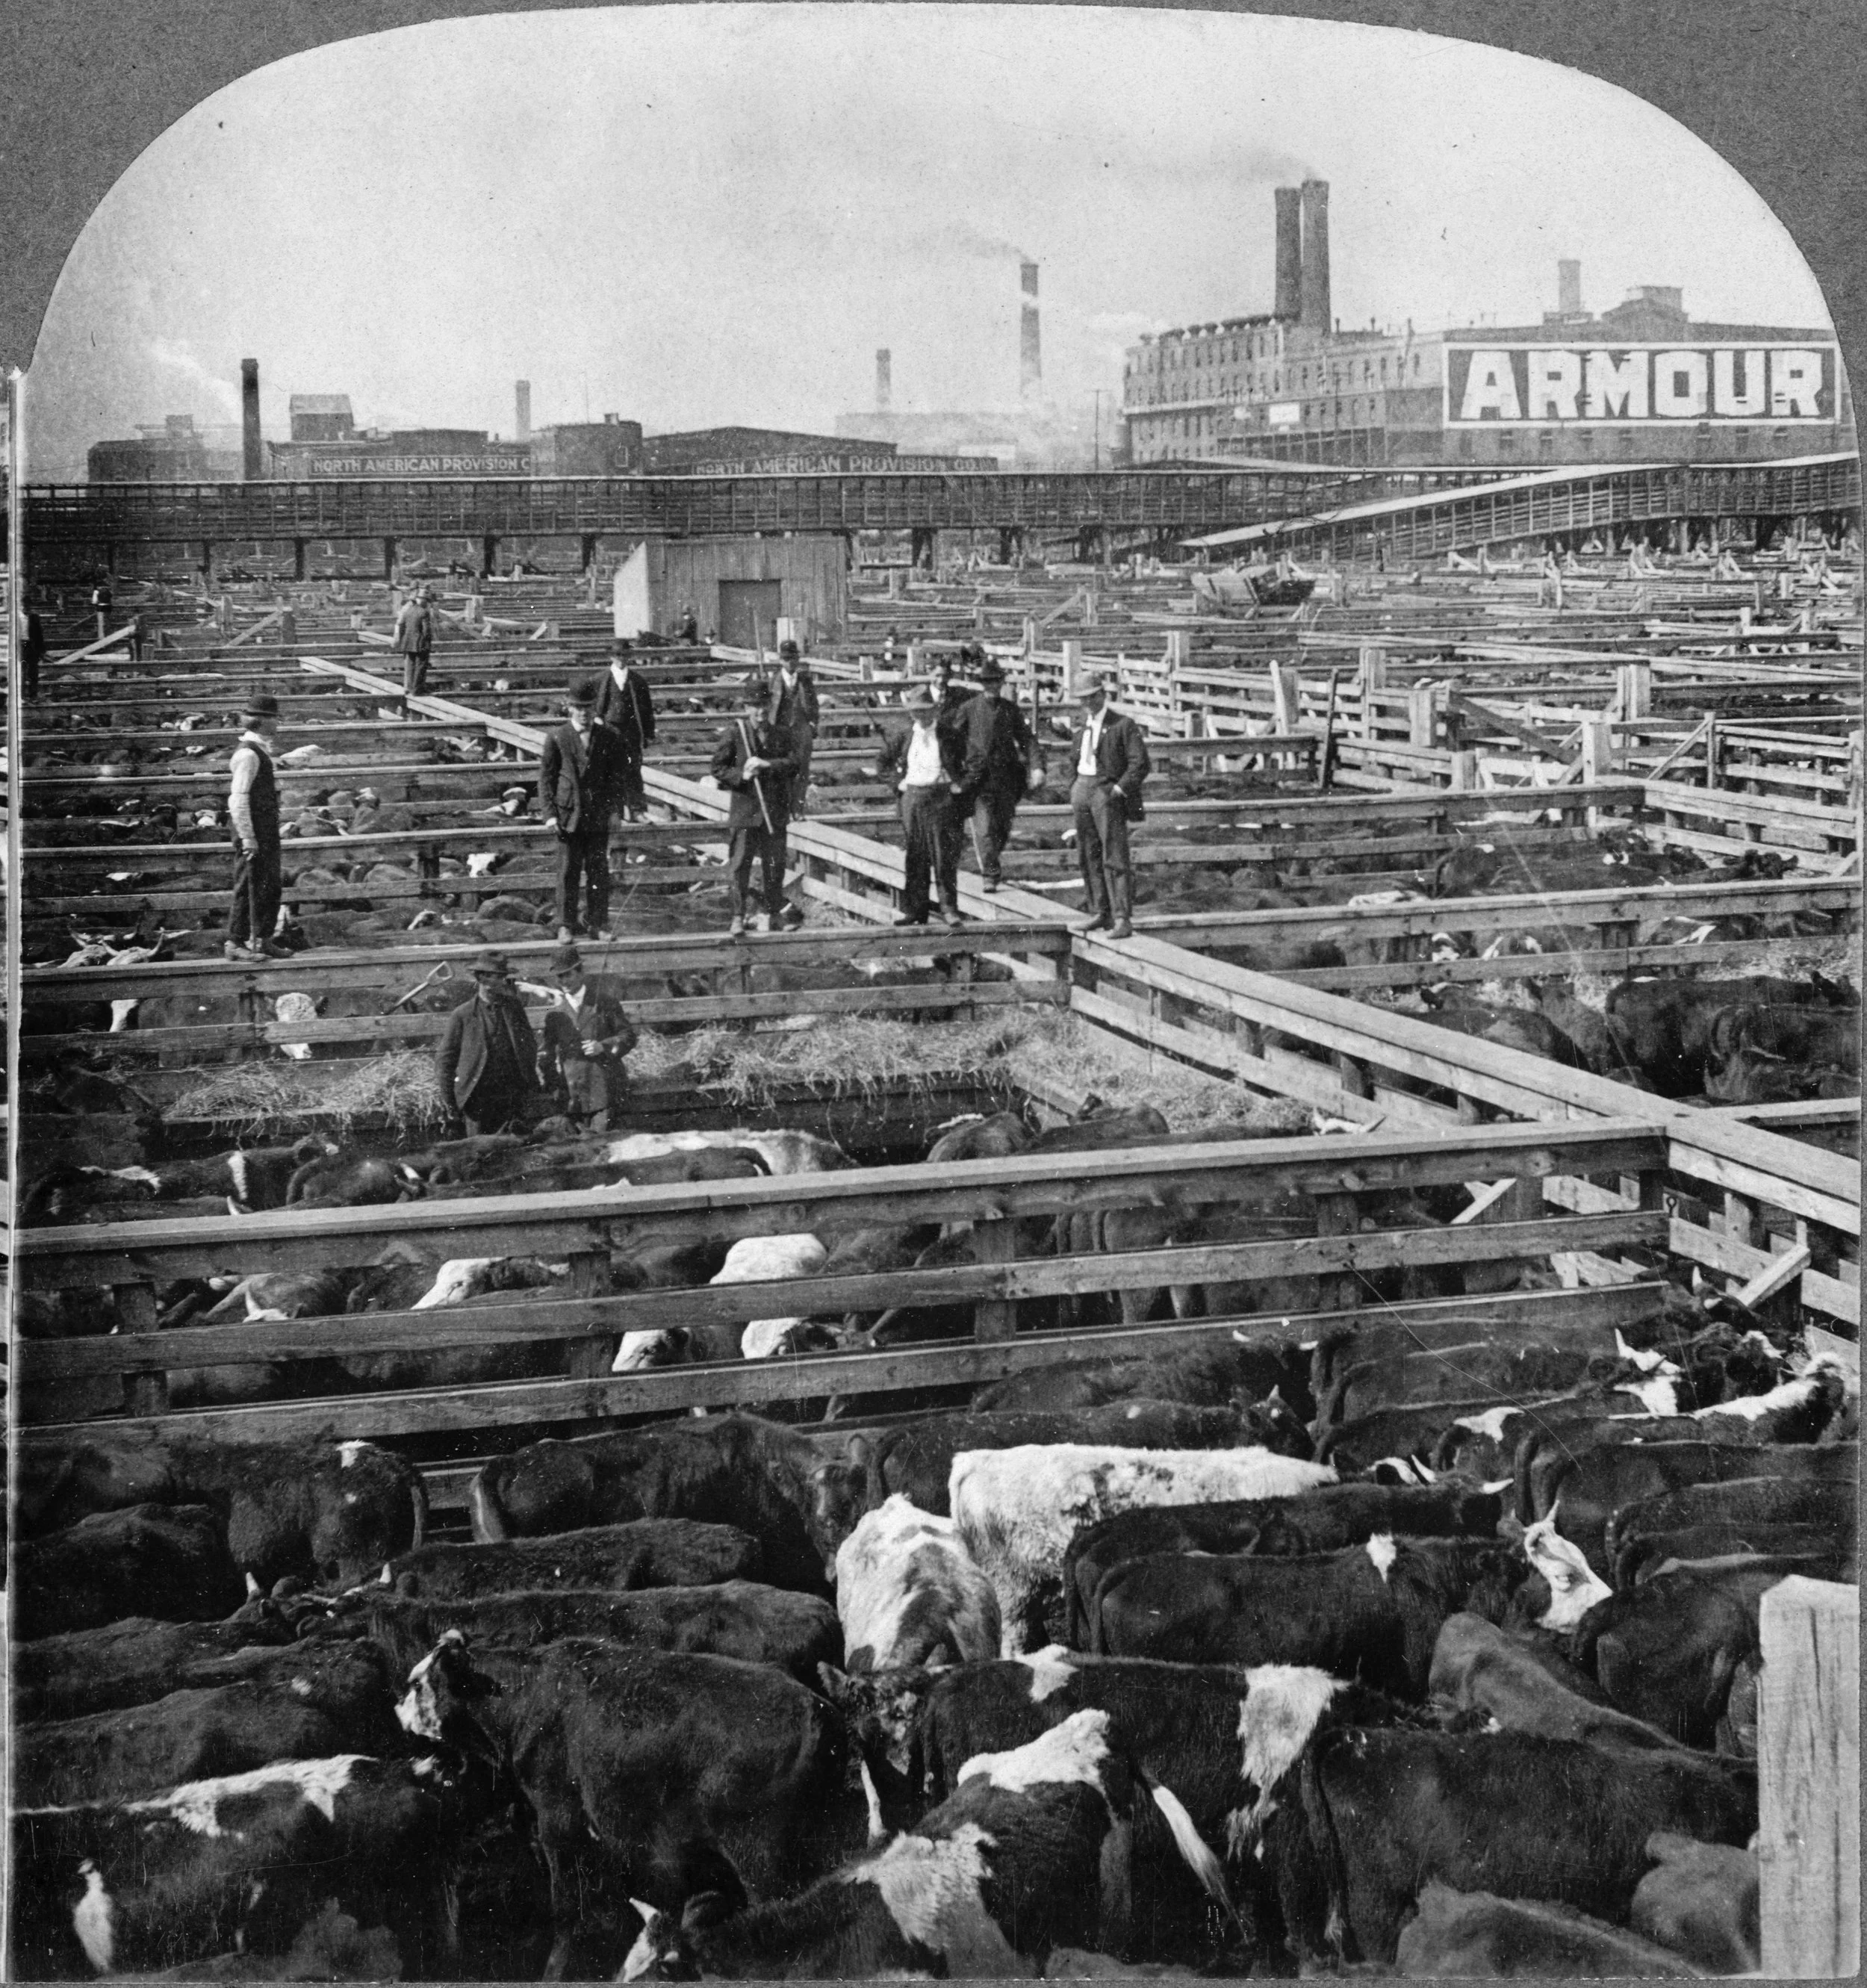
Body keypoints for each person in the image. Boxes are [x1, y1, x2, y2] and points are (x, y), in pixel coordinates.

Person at [540, 677, 627, 942]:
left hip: (598, 816)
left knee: (598, 871)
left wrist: (615, 811)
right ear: (569, 707)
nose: (584, 713)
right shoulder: (558, 737)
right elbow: (546, 778)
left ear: (595, 707)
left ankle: (597, 924)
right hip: (568, 816)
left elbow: (616, 779)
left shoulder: (609, 737)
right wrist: (550, 814)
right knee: (568, 871)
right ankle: (565, 924)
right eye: (579, 707)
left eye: (589, 707)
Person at [711, 675, 797, 936]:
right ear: (746, 707)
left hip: (773, 812)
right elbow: (717, 768)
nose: (760, 711)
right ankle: (738, 916)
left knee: (775, 866)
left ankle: (773, 913)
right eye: (754, 706)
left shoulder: (781, 734)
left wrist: (768, 765)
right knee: (740, 866)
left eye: (764, 705)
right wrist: (742, 776)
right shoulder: (736, 733)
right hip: (746, 813)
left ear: (770, 705)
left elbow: (794, 764)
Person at [1068, 669, 1151, 940]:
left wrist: (1119, 788)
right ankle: (1099, 910)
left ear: (1103, 695)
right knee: (1088, 853)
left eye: (1093, 697)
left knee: (1114, 855)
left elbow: (1141, 763)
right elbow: (1074, 759)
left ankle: (1121, 917)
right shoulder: (1082, 727)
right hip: (1083, 788)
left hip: (1106, 792)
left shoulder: (1122, 725)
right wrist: (1075, 787)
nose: (1088, 703)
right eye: (1083, 699)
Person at [876, 683, 963, 928]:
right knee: (916, 856)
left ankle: (949, 908)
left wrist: (960, 786)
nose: (920, 716)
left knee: (943, 855)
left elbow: (972, 762)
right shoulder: (904, 736)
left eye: (925, 710)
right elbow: (882, 762)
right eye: (916, 711)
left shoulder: (949, 734)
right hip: (912, 799)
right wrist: (898, 784)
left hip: (940, 798)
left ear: (934, 710)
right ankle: (916, 909)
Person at [955, 656, 1043, 894]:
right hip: (978, 779)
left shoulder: (1010, 710)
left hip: (1007, 779)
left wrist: (1036, 767)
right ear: (982, 684)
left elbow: (1027, 740)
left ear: (1002, 682)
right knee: (984, 828)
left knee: (1002, 828)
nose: (992, 686)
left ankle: (992, 862)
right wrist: (955, 769)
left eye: (996, 681)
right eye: (987, 682)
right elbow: (951, 741)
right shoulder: (969, 709)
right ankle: (990, 875)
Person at [535, 942, 639, 1131]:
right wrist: (554, 1085)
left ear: (581, 973)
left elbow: (628, 1036)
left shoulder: (605, 1003)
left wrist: (604, 1047)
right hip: (572, 1097)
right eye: (560, 976)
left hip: (604, 1091)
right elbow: (547, 1053)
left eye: (569, 975)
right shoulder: (556, 1014)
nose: (564, 981)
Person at [436, 951, 539, 1136]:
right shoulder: (463, 1015)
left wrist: (528, 1081)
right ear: (479, 977)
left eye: (499, 977)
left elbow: (529, 1045)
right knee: (480, 1155)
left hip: (510, 1097)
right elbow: (445, 1060)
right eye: (487, 976)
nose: (493, 982)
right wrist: (450, 1102)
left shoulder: (513, 1008)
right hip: (477, 1100)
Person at [225, 689, 291, 960]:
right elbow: (238, 799)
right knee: (248, 883)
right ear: (261, 721)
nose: (277, 723)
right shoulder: (248, 755)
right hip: (251, 829)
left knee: (270, 883)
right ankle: (235, 944)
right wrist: (248, 837)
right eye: (274, 719)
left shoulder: (259, 750)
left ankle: (263, 939)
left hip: (265, 827)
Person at [594, 638, 656, 819]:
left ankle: (637, 811)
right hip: (609, 730)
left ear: (630, 656)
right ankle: (615, 812)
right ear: (611, 657)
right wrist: (596, 720)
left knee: (633, 771)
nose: (621, 658)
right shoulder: (600, 679)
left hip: (631, 732)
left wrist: (649, 733)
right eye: (617, 655)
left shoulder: (638, 681)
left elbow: (647, 710)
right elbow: (590, 705)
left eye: (624, 655)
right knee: (610, 771)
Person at [766, 638, 820, 819]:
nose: (790, 663)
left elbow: (814, 705)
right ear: (781, 660)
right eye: (787, 659)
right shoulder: (774, 680)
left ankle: (797, 810)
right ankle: (783, 808)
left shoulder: (805, 680)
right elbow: (768, 707)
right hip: (780, 732)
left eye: (793, 658)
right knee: (781, 769)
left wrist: (813, 723)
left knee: (802, 771)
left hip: (801, 730)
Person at [392, 585, 435, 703]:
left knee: (410, 665)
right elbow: (426, 631)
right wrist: (428, 643)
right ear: (424, 601)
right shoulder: (424, 612)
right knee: (421, 666)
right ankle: (418, 690)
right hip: (420, 643)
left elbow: (402, 626)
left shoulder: (408, 610)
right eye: (427, 601)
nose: (428, 603)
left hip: (408, 642)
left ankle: (410, 688)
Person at [22, 606, 46, 699]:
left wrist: (42, 650)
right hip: (21, 645)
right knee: (21, 672)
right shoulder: (17, 617)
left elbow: (39, 634)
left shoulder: (34, 617)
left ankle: (33, 694)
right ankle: (21, 695)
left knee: (33, 672)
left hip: (32, 646)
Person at [90, 577, 113, 644]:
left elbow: (94, 601)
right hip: (108, 606)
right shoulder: (109, 590)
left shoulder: (97, 591)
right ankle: (109, 637)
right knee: (108, 622)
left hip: (100, 607)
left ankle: (102, 638)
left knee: (101, 623)